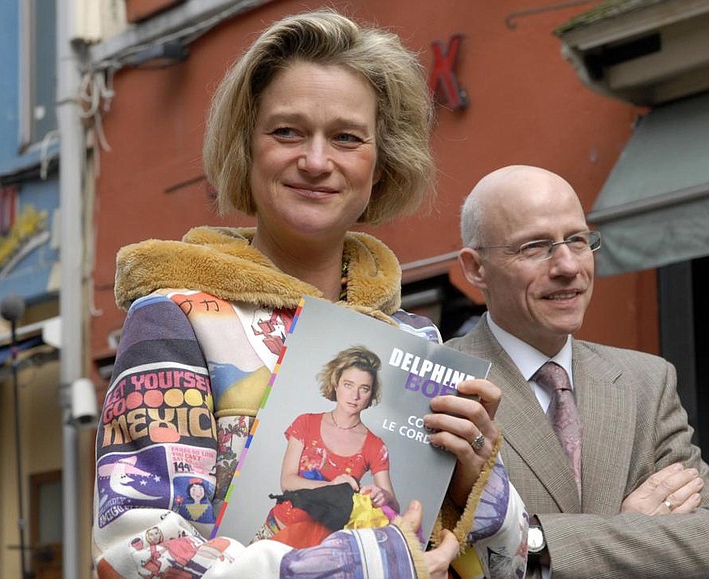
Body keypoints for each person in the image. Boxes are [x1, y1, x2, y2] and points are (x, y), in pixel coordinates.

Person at [93, 10, 527, 578]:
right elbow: (137, 556)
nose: (317, 161)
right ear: (246, 149)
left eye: (346, 138)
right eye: (287, 131)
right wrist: (367, 564)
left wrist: (479, 489)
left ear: (380, 164)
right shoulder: (176, 318)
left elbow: (495, 564)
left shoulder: (414, 339)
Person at [447, 164, 709, 578]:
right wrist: (636, 531)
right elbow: (442, 555)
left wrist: (539, 541)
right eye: (535, 246)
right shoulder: (441, 382)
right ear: (475, 268)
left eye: (577, 240)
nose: (568, 266)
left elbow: (703, 541)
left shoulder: (647, 382)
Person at [263, 346, 399, 547]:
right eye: (348, 384)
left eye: (364, 388)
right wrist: (333, 486)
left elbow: (394, 507)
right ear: (336, 384)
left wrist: (383, 496)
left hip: (322, 547)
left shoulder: (375, 445)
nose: (355, 395)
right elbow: (287, 481)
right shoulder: (305, 423)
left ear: (371, 393)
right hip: (279, 528)